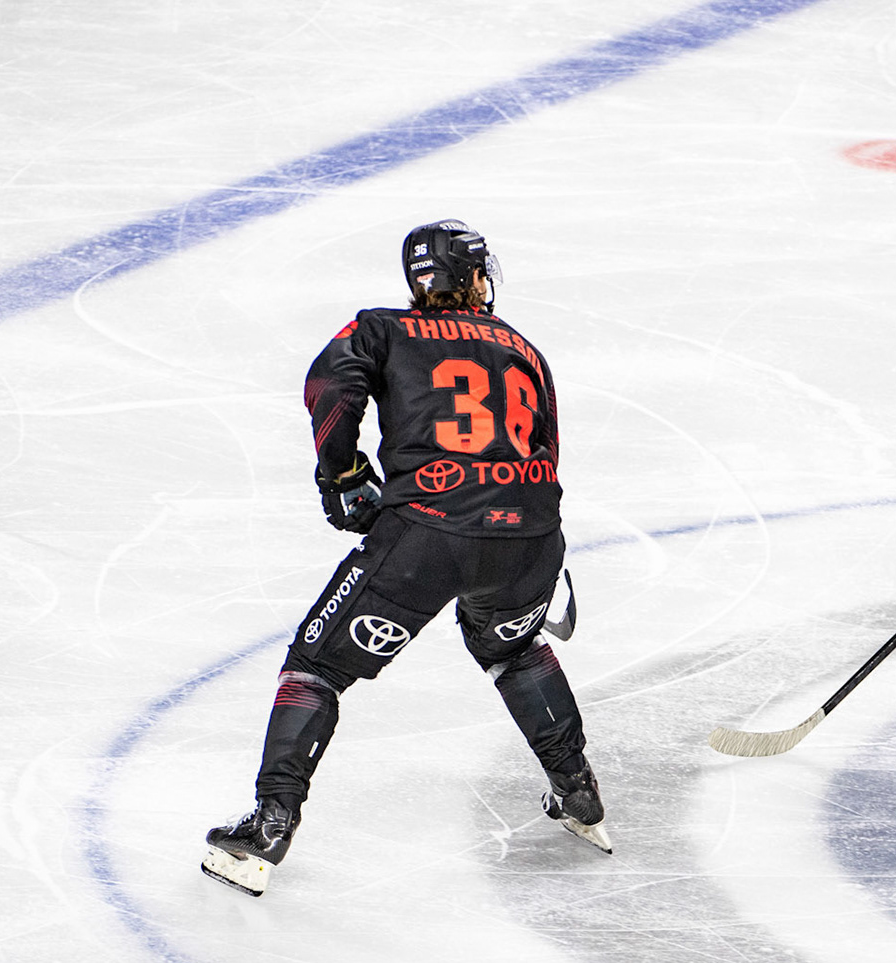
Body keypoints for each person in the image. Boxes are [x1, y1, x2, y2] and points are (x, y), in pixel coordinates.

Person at [201, 220, 610, 897]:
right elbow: (546, 456)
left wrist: (341, 473)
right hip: (531, 537)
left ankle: (269, 828)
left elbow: (329, 390)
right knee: (512, 648)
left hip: (427, 535)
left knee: (316, 667)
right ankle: (580, 794)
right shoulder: (524, 350)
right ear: (475, 277)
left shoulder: (380, 328)